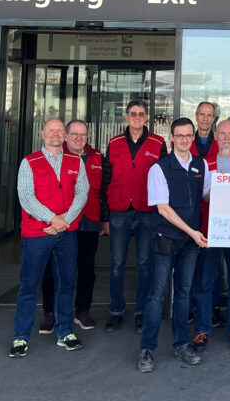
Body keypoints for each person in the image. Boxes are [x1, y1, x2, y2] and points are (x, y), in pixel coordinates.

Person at [9, 119, 89, 357]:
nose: (55, 134)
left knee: (66, 283)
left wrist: (65, 220)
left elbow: (82, 192)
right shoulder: (29, 162)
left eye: (59, 130)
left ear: (65, 135)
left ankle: (65, 331)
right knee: (29, 285)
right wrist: (52, 219)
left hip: (66, 233)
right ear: (43, 133)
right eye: (51, 130)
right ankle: (20, 337)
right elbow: (26, 197)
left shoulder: (76, 161)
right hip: (37, 234)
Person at [137, 117, 211, 373]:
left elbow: (207, 195)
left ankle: (181, 345)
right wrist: (192, 232)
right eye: (179, 135)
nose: (184, 140)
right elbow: (163, 208)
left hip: (190, 243)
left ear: (193, 137)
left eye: (188, 135)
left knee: (183, 294)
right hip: (166, 239)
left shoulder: (201, 165)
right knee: (156, 296)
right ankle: (147, 349)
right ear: (171, 137)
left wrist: (229, 187)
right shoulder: (159, 168)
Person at [39, 119, 110, 333]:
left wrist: (104, 219)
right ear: (66, 135)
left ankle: (82, 311)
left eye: (83, 135)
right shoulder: (55, 156)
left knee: (86, 269)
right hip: (61, 223)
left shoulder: (97, 158)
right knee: (53, 270)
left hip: (88, 221)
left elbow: (105, 191)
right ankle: (51, 313)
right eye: (74, 134)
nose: (79, 138)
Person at [191, 119, 230, 353]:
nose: (226, 137)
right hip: (210, 230)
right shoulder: (205, 162)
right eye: (222, 133)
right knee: (205, 281)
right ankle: (202, 329)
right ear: (215, 136)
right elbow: (202, 196)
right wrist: (219, 187)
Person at [105, 101, 167, 333]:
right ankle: (116, 311)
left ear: (146, 117)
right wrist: (104, 215)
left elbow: (163, 180)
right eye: (133, 114)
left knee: (144, 263)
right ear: (126, 116)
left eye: (141, 114)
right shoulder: (114, 143)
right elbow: (106, 178)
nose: (137, 117)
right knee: (116, 264)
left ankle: (141, 311)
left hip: (146, 210)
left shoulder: (158, 143)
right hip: (119, 209)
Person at [189, 101, 224, 328]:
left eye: (209, 115)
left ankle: (214, 307)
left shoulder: (221, 143)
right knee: (190, 261)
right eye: (201, 114)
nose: (205, 118)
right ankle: (191, 306)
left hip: (214, 212)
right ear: (196, 116)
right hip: (190, 212)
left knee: (213, 264)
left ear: (214, 119)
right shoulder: (185, 140)